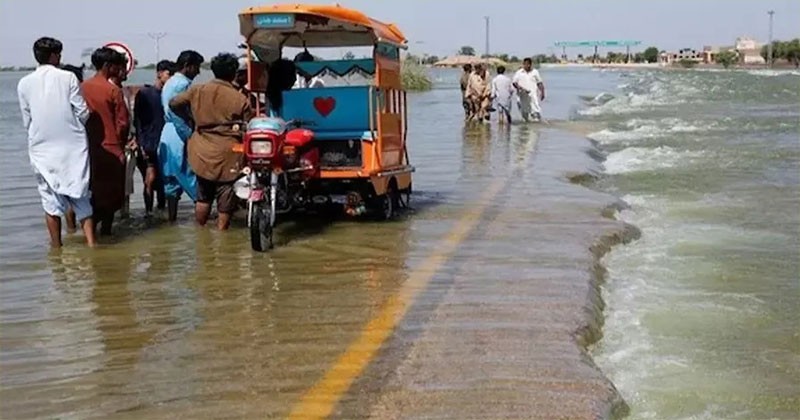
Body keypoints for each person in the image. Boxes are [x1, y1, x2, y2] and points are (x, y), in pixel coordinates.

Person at [17, 37, 96, 247]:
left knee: (49, 202)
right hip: (72, 146)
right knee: (81, 196)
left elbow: (27, 120)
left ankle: (57, 249)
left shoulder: (24, 83)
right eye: (59, 54)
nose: (60, 58)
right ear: (53, 56)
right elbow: (82, 111)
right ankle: (92, 245)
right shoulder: (68, 77)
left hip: (41, 148)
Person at [169, 53, 253, 230]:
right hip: (228, 151)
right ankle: (222, 234)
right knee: (226, 193)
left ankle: (201, 233)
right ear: (233, 74)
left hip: (202, 149)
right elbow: (248, 127)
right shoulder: (240, 99)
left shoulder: (197, 90)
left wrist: (191, 119)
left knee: (203, 195)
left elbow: (173, 104)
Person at [81, 47, 130, 236]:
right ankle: (106, 234)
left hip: (87, 148)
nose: (119, 70)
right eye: (117, 66)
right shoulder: (112, 90)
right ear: (108, 66)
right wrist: (120, 144)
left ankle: (89, 233)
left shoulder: (82, 87)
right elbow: (123, 123)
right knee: (111, 198)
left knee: (91, 194)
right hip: (111, 148)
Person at [158, 50, 204, 222]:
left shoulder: (170, 82)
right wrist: (190, 136)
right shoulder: (182, 85)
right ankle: (203, 224)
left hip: (167, 133)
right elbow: (178, 113)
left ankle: (171, 220)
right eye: (196, 67)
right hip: (179, 133)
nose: (198, 72)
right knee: (191, 177)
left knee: (170, 180)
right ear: (187, 66)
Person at [133, 60, 173, 215]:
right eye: (168, 74)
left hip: (165, 141)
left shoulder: (170, 95)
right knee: (150, 177)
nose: (170, 78)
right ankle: (148, 211)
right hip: (149, 141)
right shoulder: (145, 94)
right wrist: (140, 141)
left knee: (164, 179)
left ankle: (162, 210)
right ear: (159, 73)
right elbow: (137, 120)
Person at [513, 57, 546, 122]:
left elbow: (539, 83)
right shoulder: (519, 72)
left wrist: (542, 93)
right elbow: (514, 83)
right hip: (522, 96)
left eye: (527, 64)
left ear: (530, 64)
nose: (526, 66)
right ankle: (525, 129)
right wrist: (520, 88)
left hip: (533, 96)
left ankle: (536, 129)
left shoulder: (535, 72)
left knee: (536, 112)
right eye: (524, 64)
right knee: (524, 114)